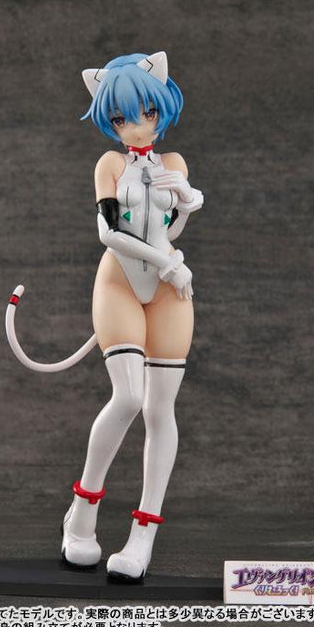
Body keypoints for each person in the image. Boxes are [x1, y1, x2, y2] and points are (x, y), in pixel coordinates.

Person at [61, 51, 204, 581]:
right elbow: (110, 233)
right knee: (127, 397)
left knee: (160, 410)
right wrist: (167, 261)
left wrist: (187, 203)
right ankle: (83, 510)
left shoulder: (174, 163)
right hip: (121, 279)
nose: (136, 126)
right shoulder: (110, 164)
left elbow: (169, 230)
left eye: (145, 112)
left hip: (169, 289)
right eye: (121, 117)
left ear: (161, 108)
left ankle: (143, 535)